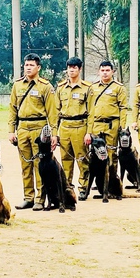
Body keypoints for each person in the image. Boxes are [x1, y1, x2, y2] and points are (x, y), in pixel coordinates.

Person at [8, 53, 58, 211]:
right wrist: (11, 130)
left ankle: (40, 198)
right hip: (22, 128)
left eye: (31, 65)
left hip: (39, 128)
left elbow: (52, 112)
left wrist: (54, 134)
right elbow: (12, 109)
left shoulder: (45, 86)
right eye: (26, 65)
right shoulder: (17, 85)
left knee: (39, 165)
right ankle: (28, 197)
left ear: (39, 67)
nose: (28, 68)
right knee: (25, 165)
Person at [85, 60, 127, 190]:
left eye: (107, 70)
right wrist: (89, 129)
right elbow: (89, 109)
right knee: (96, 155)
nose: (105, 73)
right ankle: (99, 183)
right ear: (99, 71)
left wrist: (122, 127)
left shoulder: (118, 87)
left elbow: (123, 108)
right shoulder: (92, 88)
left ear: (112, 72)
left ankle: (111, 183)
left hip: (112, 125)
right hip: (96, 125)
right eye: (102, 70)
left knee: (111, 155)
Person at [55, 57, 92, 199]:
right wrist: (54, 133)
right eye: (69, 67)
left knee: (82, 159)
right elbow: (56, 112)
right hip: (64, 126)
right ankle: (67, 187)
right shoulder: (60, 87)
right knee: (65, 160)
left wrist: (89, 133)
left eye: (74, 67)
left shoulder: (87, 88)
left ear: (80, 69)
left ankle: (83, 187)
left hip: (80, 126)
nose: (71, 70)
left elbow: (91, 112)